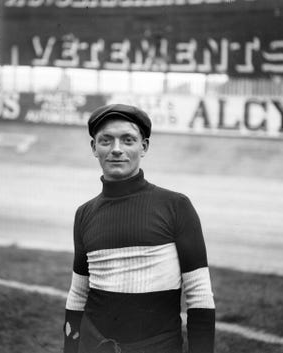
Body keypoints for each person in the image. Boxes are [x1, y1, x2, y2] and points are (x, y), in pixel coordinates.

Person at [63, 104, 215, 353]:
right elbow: (78, 293)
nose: (116, 149)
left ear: (143, 147)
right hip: (94, 345)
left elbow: (199, 294)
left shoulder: (176, 206)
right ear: (94, 148)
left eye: (128, 140)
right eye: (106, 140)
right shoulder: (84, 214)